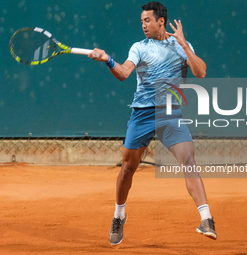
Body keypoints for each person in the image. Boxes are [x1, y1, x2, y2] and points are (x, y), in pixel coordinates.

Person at [88, 1, 217, 245]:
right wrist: (108, 60)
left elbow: (200, 72)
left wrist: (184, 46)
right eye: (141, 22)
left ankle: (206, 218)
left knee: (188, 159)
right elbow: (124, 73)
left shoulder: (181, 45)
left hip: (170, 113)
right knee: (128, 168)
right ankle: (119, 214)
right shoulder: (139, 47)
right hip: (143, 113)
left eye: (147, 20)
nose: (144, 25)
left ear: (161, 21)